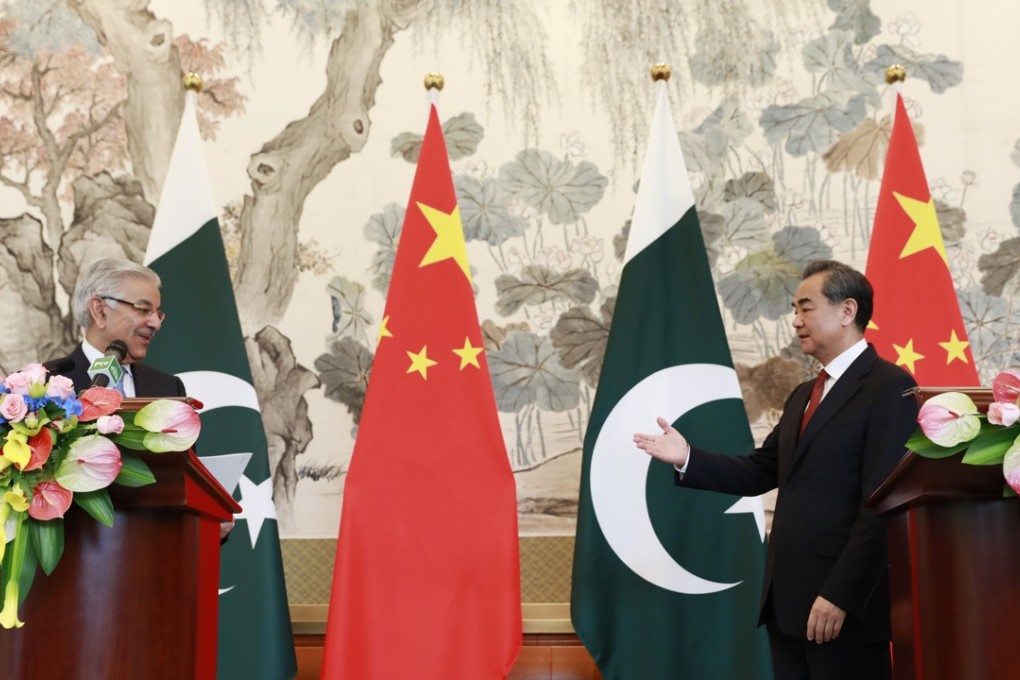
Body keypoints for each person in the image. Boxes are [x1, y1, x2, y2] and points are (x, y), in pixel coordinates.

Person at [634, 260, 918, 680]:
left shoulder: (890, 386)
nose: (795, 321)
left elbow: (882, 502)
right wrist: (686, 457)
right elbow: (761, 471)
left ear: (847, 311)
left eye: (806, 308)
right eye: (794, 309)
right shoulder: (805, 393)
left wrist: (840, 594)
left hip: (843, 607)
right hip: (787, 603)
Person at [49, 257, 233, 540]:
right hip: (72, 561)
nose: (155, 323)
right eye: (143, 309)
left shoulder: (168, 388)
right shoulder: (46, 385)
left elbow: (186, 479)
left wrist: (210, 522)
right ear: (99, 310)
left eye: (158, 313)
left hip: (157, 558)